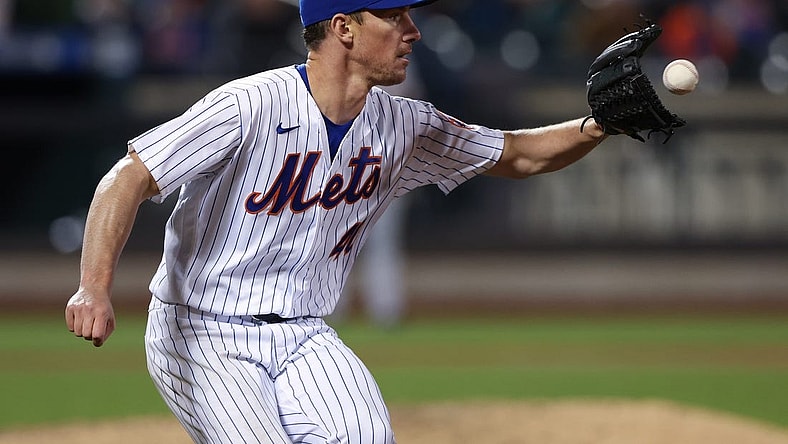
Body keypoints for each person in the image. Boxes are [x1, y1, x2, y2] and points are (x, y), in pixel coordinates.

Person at [65, 0, 607, 442]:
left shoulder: (404, 122)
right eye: (394, 17)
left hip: (306, 335)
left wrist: (598, 124)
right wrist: (93, 287)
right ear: (344, 28)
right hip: (202, 331)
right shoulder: (248, 105)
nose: (413, 31)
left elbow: (519, 155)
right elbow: (127, 178)